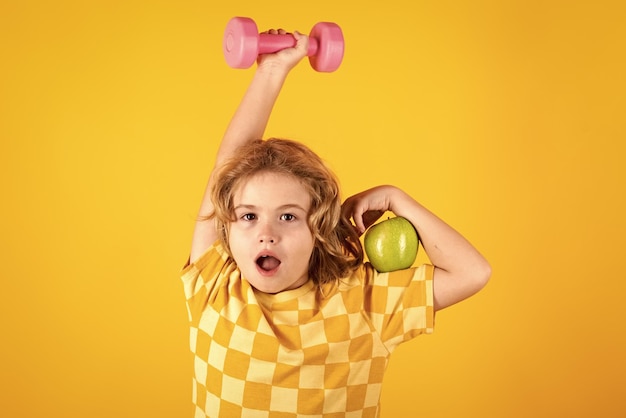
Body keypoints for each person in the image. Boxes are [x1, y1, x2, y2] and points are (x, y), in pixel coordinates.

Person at [182, 29, 491, 418]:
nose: (267, 232)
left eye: (288, 216)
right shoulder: (214, 284)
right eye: (248, 215)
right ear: (227, 225)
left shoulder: (364, 302)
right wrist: (271, 71)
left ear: (319, 228)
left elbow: (473, 272)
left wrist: (398, 198)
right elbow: (225, 169)